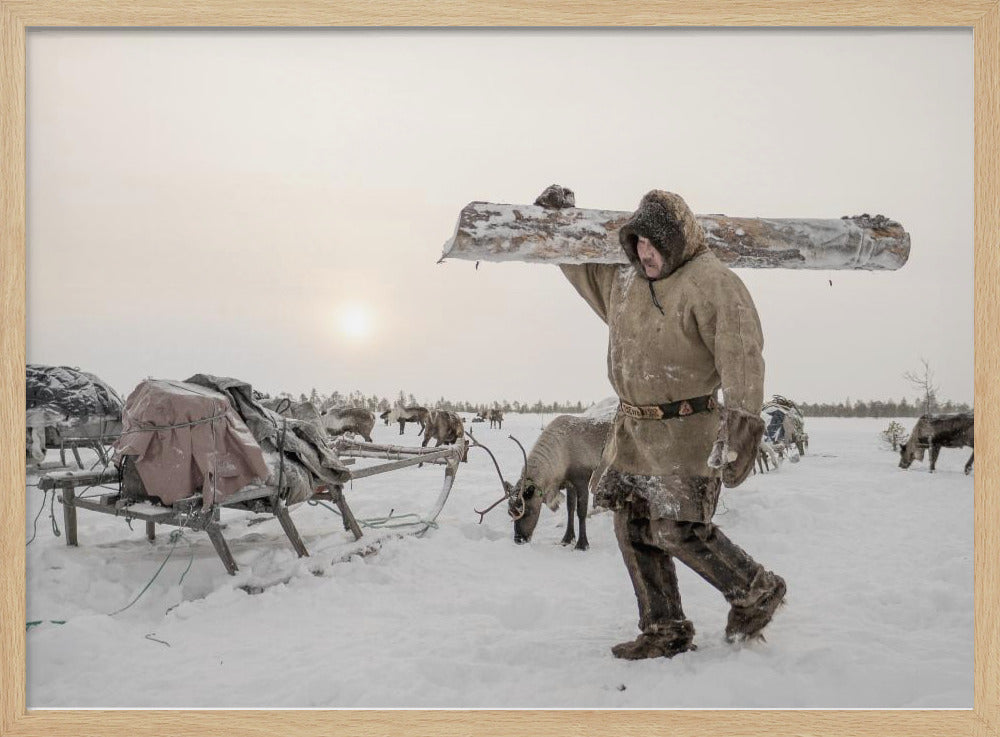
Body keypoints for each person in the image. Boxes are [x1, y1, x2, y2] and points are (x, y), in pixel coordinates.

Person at [540, 185, 787, 660]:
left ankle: (756, 590)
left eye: (653, 245)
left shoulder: (713, 283)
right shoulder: (626, 281)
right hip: (632, 431)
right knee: (632, 527)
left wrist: (742, 424)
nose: (644, 253)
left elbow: (742, 355)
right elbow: (582, 267)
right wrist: (559, 223)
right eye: (637, 244)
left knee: (677, 529)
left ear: (676, 241)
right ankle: (664, 628)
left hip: (687, 431)